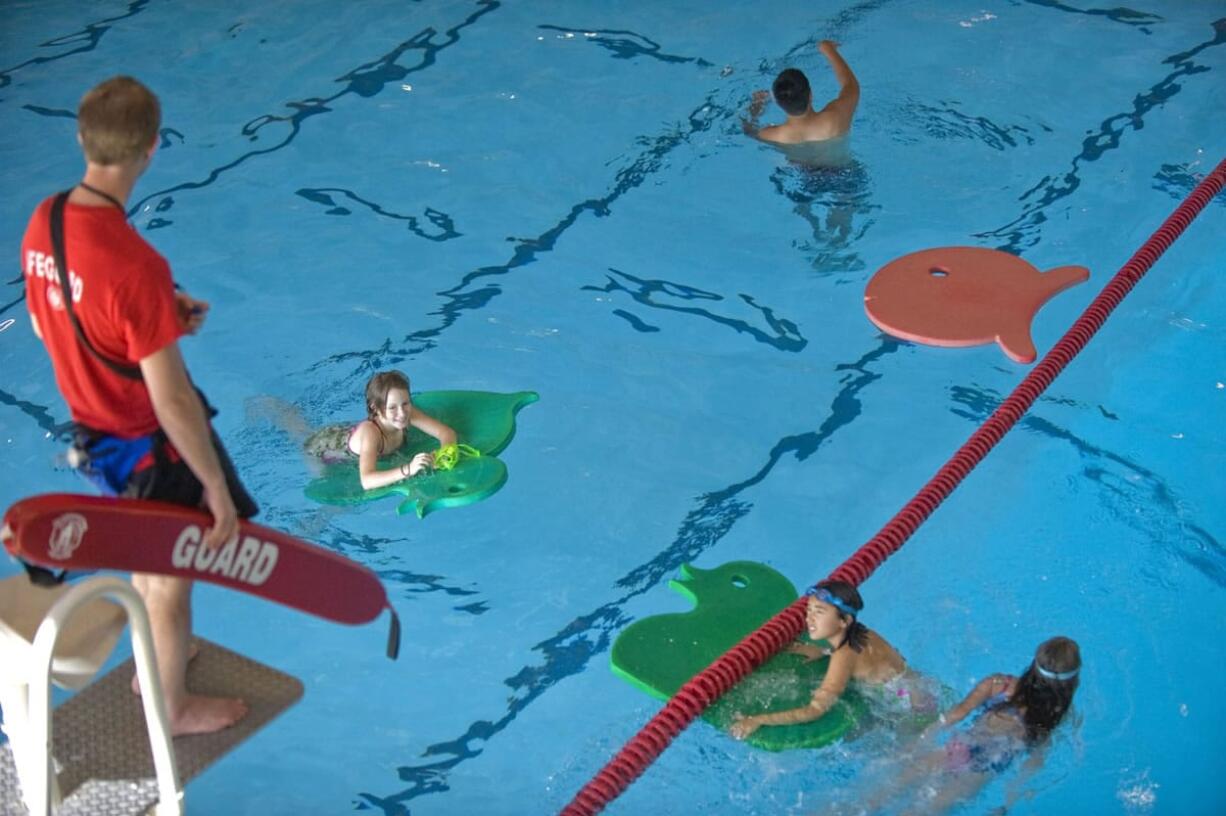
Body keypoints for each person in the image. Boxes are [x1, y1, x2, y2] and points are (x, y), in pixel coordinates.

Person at [20, 76, 255, 735]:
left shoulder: (47, 219)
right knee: (173, 577)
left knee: (150, 563)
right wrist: (213, 487)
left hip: (95, 434)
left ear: (81, 138)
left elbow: (51, 321)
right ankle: (169, 706)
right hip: (148, 442)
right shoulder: (136, 263)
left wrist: (160, 317)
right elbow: (172, 397)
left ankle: (156, 660)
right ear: (153, 147)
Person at [863, 637, 1082, 815]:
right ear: (1073, 680)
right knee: (918, 812)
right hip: (986, 767)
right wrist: (1008, 802)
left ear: (1033, 665)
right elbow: (1034, 763)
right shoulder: (1058, 716)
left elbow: (956, 714)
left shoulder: (998, 684)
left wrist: (919, 743)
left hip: (957, 748)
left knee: (880, 795)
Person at [729, 580, 929, 739]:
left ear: (844, 621)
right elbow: (866, 662)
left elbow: (815, 710)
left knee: (857, 742)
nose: (809, 619)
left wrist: (758, 720)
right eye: (809, 611)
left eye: (819, 612)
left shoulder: (844, 656)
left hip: (907, 714)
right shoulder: (863, 632)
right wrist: (823, 652)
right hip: (922, 692)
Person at [303, 370, 456, 490]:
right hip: (322, 448)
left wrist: (443, 454)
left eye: (406, 403)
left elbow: (446, 433)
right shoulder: (371, 433)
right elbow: (367, 481)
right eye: (392, 408)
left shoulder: (406, 413)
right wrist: (409, 469)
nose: (402, 413)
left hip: (346, 433)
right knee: (334, 497)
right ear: (375, 408)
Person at [743, 40, 860, 156]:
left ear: (777, 102)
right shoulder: (834, 119)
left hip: (803, 172)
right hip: (842, 171)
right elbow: (851, 86)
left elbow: (748, 130)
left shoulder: (773, 135)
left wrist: (757, 104)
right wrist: (828, 49)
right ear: (811, 95)